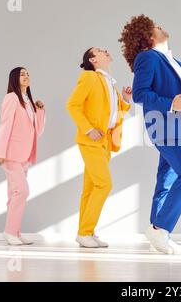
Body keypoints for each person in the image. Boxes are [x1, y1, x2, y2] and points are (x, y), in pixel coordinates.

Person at [119, 14, 181, 254]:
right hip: (165, 124)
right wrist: (170, 103)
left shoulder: (173, 61)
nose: (162, 26)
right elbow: (140, 94)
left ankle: (158, 234)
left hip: (180, 126)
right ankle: (161, 229)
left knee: (166, 180)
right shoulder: (147, 57)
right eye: (157, 26)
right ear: (150, 37)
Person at [66, 47, 132, 248]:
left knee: (91, 188)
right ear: (93, 60)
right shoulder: (89, 77)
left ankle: (86, 233)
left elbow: (113, 112)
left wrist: (125, 101)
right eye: (100, 51)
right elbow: (73, 105)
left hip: (105, 141)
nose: (106, 51)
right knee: (104, 184)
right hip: (91, 140)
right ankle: (85, 232)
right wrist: (88, 129)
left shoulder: (109, 81)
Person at [0, 67, 46, 245]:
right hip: (10, 154)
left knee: (14, 194)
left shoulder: (28, 101)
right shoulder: (12, 98)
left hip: (24, 156)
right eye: (22, 74)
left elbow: (38, 130)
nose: (26, 76)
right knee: (22, 191)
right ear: (14, 78)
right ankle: (10, 232)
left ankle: (14, 231)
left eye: (28, 74)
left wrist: (40, 110)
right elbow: (5, 124)